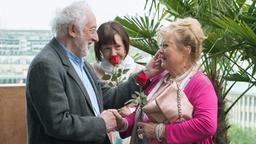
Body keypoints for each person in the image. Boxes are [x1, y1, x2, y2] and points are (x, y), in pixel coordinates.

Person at [25, 1, 161, 144]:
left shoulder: (82, 64)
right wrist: (102, 124)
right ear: (73, 30)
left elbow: (110, 97)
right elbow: (57, 123)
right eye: (92, 30)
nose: (96, 37)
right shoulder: (46, 65)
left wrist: (146, 73)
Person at [115, 17, 218, 144]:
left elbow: (207, 124)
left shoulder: (200, 83)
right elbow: (142, 114)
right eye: (161, 45)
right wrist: (123, 123)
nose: (160, 51)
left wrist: (160, 131)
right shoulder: (159, 78)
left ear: (186, 49)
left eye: (166, 45)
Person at [92, 21, 144, 144]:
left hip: (131, 134)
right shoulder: (92, 71)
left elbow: (146, 108)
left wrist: (131, 112)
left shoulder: (139, 72)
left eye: (117, 47)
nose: (113, 53)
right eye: (107, 48)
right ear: (100, 49)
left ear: (126, 46)